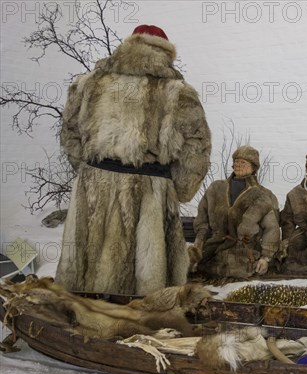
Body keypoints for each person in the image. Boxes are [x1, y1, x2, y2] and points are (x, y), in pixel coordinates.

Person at [55, 25, 211, 295]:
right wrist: (180, 189)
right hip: (148, 191)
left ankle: (79, 321)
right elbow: (196, 146)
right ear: (165, 52)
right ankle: (136, 326)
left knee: (84, 276)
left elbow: (69, 131)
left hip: (92, 187)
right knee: (146, 283)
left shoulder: (90, 83)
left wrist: (87, 169)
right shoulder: (177, 91)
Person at [189, 145, 280, 281]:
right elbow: (202, 218)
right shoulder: (216, 188)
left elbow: (271, 228)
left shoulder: (263, 195)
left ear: (253, 167)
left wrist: (265, 258)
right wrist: (199, 243)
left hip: (245, 259)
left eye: (243, 162)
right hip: (212, 255)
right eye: (236, 161)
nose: (238, 165)